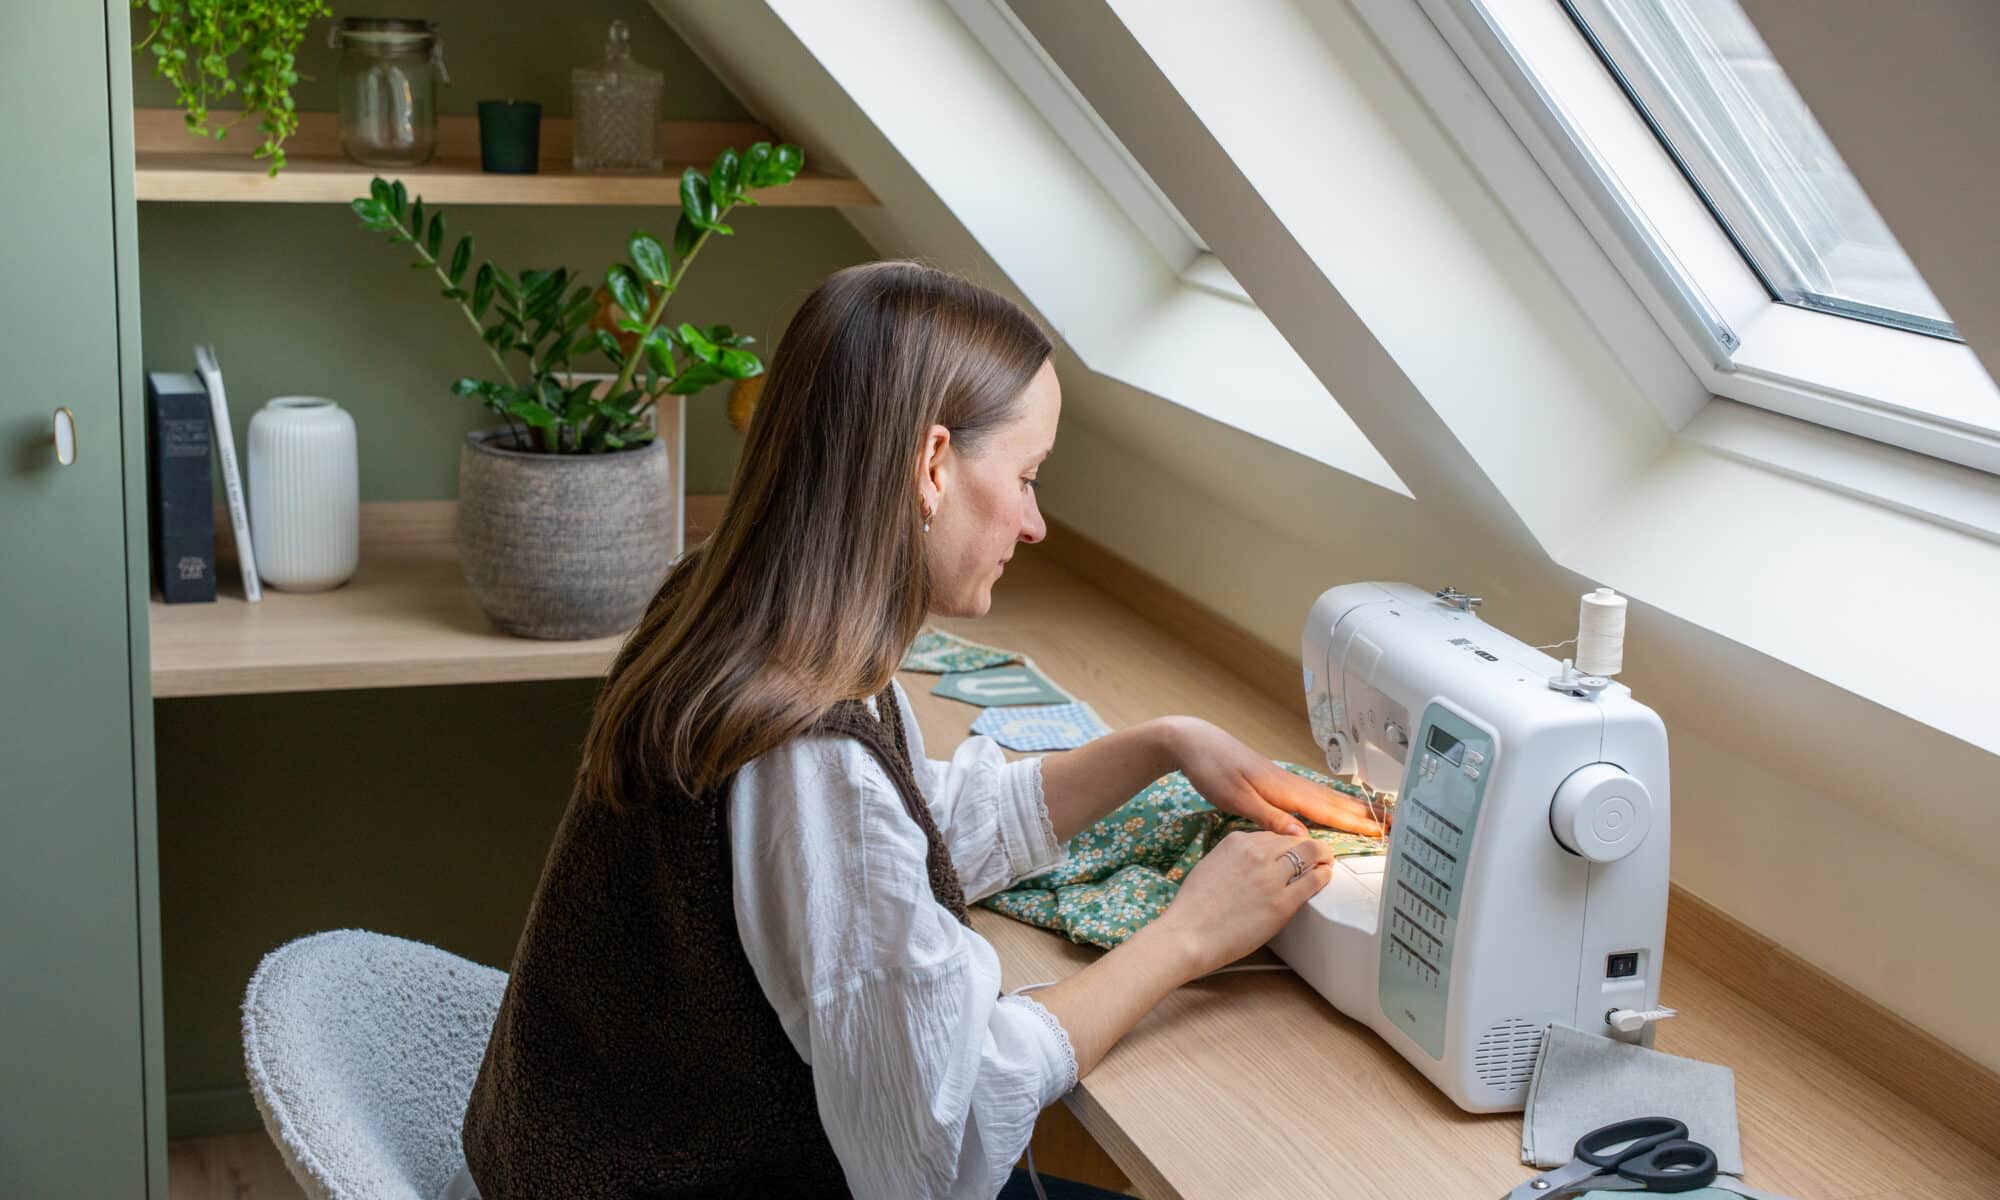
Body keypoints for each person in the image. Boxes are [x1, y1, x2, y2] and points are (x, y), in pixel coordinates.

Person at [451, 261, 1387, 1200]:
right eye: (1025, 477)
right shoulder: (807, 749)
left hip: (562, 1154)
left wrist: (1164, 745)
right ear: (932, 464)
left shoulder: (735, 614)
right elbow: (947, 1139)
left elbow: (909, 835)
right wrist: (1188, 937)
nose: (1034, 524)